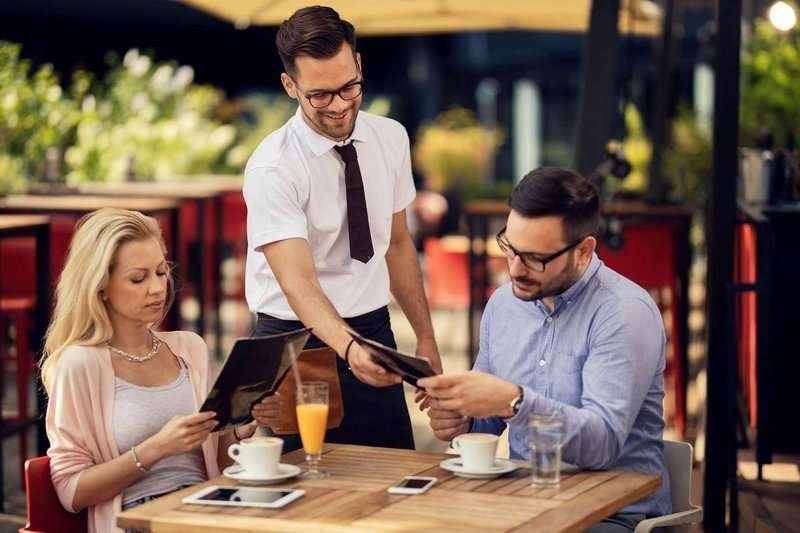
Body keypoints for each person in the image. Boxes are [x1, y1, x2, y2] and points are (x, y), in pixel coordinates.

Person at [419, 167, 671, 532]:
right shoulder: (503, 305)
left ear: (583, 252)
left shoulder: (623, 313)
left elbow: (602, 444)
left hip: (614, 517)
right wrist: (464, 419)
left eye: (536, 258)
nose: (516, 269)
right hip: (527, 506)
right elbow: (487, 419)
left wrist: (514, 402)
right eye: (510, 248)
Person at [243, 6, 441, 451]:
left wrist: (425, 338)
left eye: (349, 86)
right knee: (305, 503)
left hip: (373, 331)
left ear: (359, 65)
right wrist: (350, 350)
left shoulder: (391, 139)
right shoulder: (273, 167)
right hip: (294, 344)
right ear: (290, 86)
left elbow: (398, 246)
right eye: (320, 95)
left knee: (393, 488)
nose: (339, 104)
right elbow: (297, 284)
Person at [43, 208, 256, 533]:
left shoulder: (189, 349)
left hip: (208, 508)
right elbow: (71, 491)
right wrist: (156, 448)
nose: (157, 288)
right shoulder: (81, 363)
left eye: (161, 271)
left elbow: (218, 464)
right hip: (140, 520)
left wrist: (243, 430)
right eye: (138, 278)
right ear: (100, 286)